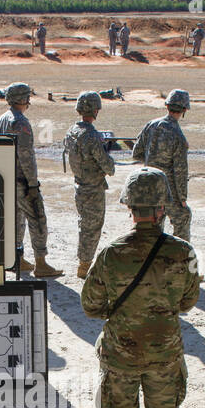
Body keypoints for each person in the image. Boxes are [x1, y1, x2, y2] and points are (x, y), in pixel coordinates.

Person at [83, 167, 200, 408]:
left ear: (130, 208)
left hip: (121, 357)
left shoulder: (111, 254)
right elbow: (188, 302)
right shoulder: (185, 252)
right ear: (162, 208)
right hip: (165, 356)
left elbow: (91, 306)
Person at [0, 83, 63, 278]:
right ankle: (41, 262)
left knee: (16, 220)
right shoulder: (20, 122)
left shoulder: (1, 120)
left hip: (6, 179)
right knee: (37, 218)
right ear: (23, 99)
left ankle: (17, 258)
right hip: (21, 180)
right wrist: (32, 184)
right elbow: (25, 156)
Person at [63, 92, 116, 278]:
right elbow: (107, 166)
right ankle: (84, 265)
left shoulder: (71, 131)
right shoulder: (92, 135)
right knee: (92, 227)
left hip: (79, 185)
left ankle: (83, 261)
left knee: (84, 224)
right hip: (93, 188)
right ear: (95, 110)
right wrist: (111, 163)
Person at [132, 90, 191, 241]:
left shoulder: (151, 125)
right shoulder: (178, 135)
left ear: (167, 105)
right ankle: (180, 255)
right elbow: (180, 171)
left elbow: (136, 153)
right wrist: (182, 198)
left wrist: (150, 162)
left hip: (147, 184)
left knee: (152, 223)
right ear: (184, 109)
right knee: (183, 218)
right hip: (168, 188)